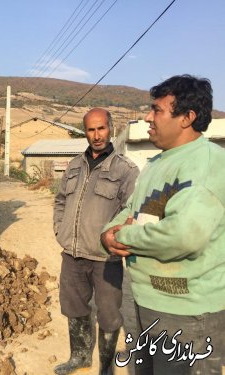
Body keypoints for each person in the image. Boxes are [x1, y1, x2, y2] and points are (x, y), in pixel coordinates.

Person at [101, 75, 225, 374]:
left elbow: (183, 236)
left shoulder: (206, 163)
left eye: (156, 110)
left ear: (187, 117)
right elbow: (131, 209)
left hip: (189, 313)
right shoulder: (157, 163)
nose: (147, 117)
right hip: (149, 302)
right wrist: (108, 235)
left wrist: (126, 235)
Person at [53, 108, 139, 375]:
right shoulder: (75, 166)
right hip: (73, 255)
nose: (97, 135)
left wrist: (118, 240)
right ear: (85, 132)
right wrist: (60, 231)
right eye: (91, 129)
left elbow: (133, 212)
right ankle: (79, 357)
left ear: (110, 128)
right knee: (74, 308)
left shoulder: (125, 170)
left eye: (101, 128)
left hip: (105, 258)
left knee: (109, 315)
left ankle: (105, 367)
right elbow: (60, 201)